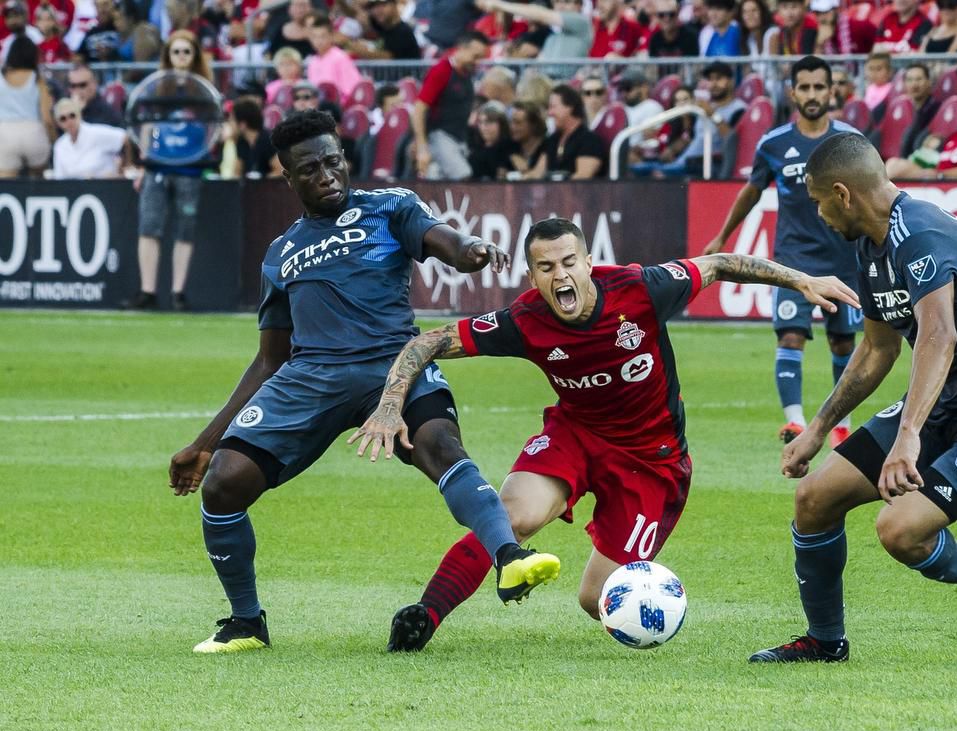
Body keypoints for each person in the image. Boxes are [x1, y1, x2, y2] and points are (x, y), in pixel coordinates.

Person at [348, 217, 859, 651]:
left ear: (588, 263)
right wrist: (391, 406)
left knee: (599, 601)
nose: (560, 275)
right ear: (533, 275)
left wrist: (800, 281)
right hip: (577, 435)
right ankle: (425, 616)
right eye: (546, 268)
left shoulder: (641, 288)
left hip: (652, 461)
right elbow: (429, 342)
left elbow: (720, 263)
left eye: (569, 262)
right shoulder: (525, 319)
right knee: (512, 516)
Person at [168, 110, 561, 654]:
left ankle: (510, 559)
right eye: (310, 169)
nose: (326, 174)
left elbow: (442, 239)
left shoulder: (389, 207)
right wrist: (205, 444)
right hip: (311, 378)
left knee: (440, 445)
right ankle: (245, 622)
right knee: (223, 484)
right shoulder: (281, 255)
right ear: (289, 177)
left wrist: (470, 251)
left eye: (333, 161)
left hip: (394, 364)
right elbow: (267, 360)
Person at [749, 131, 957, 664]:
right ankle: (826, 642)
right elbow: (876, 349)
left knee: (900, 531)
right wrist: (818, 429)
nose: (819, 216)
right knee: (814, 500)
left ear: (843, 194)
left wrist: (909, 437)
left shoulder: (919, 233)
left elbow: (940, 335)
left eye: (820, 202)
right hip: (946, 403)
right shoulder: (872, 249)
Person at [704, 56, 863, 446]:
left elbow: (871, 195)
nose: (812, 94)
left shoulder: (850, 141)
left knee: (843, 343)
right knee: (790, 336)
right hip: (794, 261)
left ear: (831, 91)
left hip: (844, 260)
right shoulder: (773, 144)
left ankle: (841, 425)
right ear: (793, 92)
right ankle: (795, 422)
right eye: (804, 87)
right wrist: (722, 237)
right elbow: (752, 191)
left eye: (818, 87)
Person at [124, 29, 212, 312]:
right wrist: (143, 164)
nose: (181, 57)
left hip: (190, 168)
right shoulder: (156, 87)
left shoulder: (205, 89)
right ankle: (147, 291)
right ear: (168, 55)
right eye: (176, 51)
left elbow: (216, 127)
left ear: (194, 55)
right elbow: (147, 128)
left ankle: (178, 293)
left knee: (184, 231)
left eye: (187, 51)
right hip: (157, 166)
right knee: (149, 228)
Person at [412, 30, 488, 180]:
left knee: (440, 182)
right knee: (462, 176)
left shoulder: (466, 75)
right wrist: (422, 146)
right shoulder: (441, 71)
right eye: (475, 56)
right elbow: (419, 109)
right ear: (462, 48)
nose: (477, 62)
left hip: (459, 137)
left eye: (481, 58)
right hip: (440, 136)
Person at [885, 92, 957, 179]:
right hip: (933, 179)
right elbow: (932, 159)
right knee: (893, 163)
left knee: (896, 170)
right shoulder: (955, 136)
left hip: (951, 185)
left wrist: (940, 175)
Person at [0, 36, 52, 178]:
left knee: (5, 188)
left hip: (5, 134)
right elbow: (47, 118)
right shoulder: (37, 79)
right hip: (33, 132)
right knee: (39, 185)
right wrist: (54, 139)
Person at [50, 96, 126, 178]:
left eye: (72, 115)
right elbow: (60, 178)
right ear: (58, 123)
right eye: (63, 118)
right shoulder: (59, 145)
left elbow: (125, 138)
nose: (69, 121)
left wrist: (122, 168)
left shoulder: (96, 133)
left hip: (103, 186)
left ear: (79, 115)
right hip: (75, 189)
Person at [545, 83, 606, 179]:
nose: (550, 112)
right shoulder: (552, 139)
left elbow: (581, 179)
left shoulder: (590, 141)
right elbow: (537, 174)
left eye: (553, 107)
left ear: (570, 107)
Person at [305, 16, 363, 103]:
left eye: (322, 36)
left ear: (331, 36)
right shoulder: (312, 62)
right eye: (315, 37)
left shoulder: (340, 58)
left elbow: (353, 89)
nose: (319, 40)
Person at [503, 99, 548, 180]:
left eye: (518, 123)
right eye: (511, 122)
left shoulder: (548, 146)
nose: (512, 127)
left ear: (533, 124)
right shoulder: (508, 146)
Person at [811, 0, 876, 55]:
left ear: (836, 9)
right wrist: (820, 44)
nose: (821, 18)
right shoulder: (816, 32)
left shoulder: (859, 26)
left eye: (825, 12)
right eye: (817, 13)